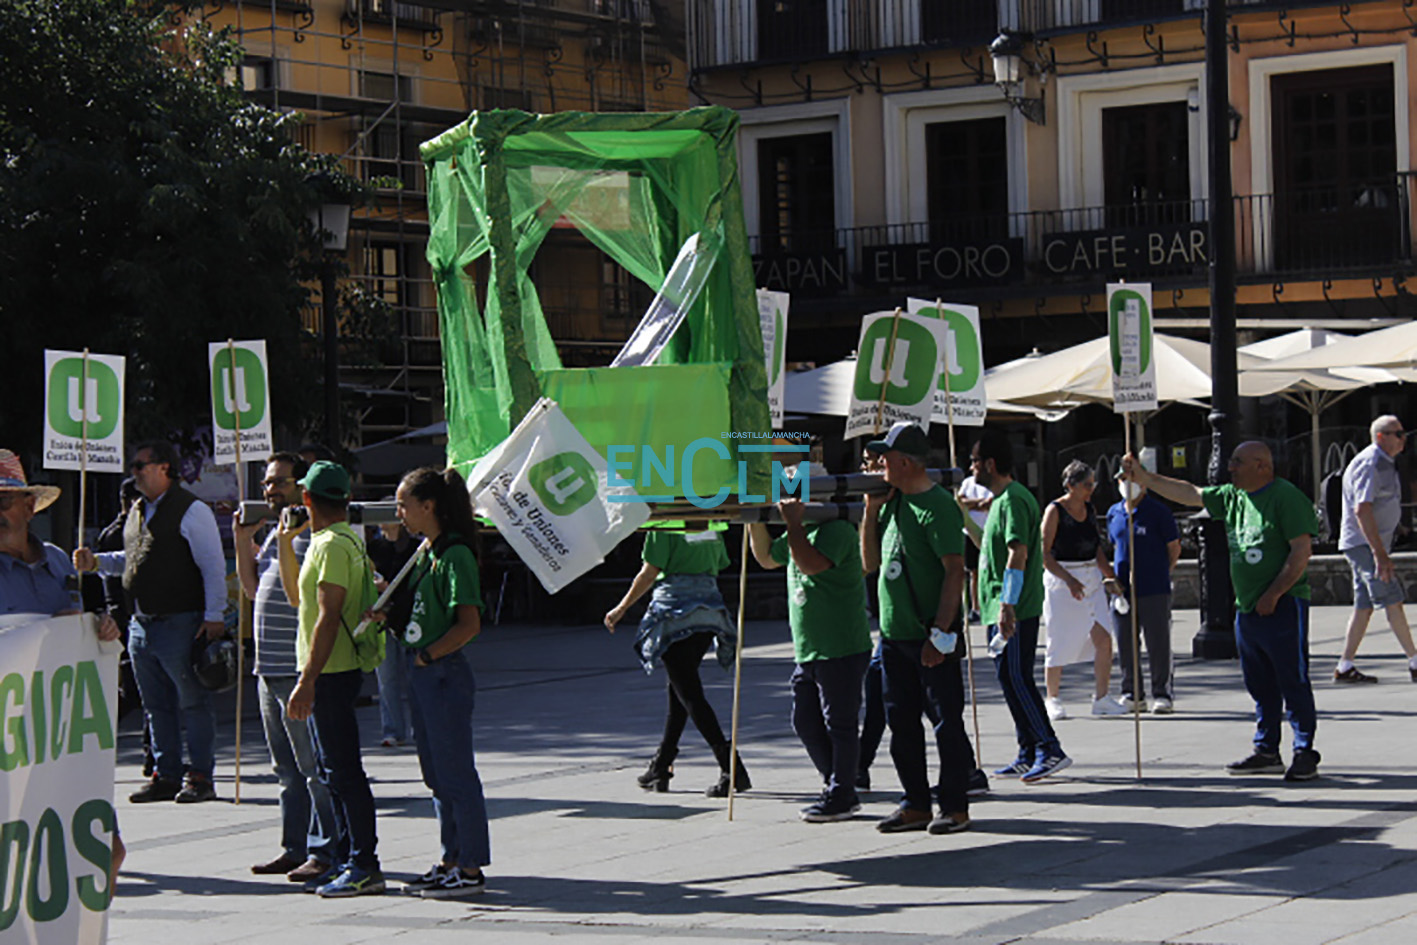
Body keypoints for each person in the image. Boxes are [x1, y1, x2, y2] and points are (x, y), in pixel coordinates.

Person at [1122, 441, 1321, 781]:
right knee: (1259, 683)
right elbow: (1191, 493)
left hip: (1284, 605)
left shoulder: (1286, 498)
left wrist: (1274, 594)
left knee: (1292, 678)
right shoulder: (1233, 496)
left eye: (1237, 462)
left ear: (1262, 465)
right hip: (1247, 608)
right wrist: (1146, 479)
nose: (1229, 468)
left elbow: (1301, 552)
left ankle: (1304, 751)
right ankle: (1267, 749)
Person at [74, 439, 227, 804]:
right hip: (142, 624)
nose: (134, 473)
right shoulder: (139, 510)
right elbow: (131, 558)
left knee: (192, 702)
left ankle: (201, 776)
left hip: (180, 621)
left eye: (140, 466)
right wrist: (96, 562)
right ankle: (167, 773)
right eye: (133, 467)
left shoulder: (192, 511)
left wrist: (214, 616)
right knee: (156, 706)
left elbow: (213, 566)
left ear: (164, 468)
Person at [0, 449, 126, 881]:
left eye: (2, 502)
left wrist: (101, 628)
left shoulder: (59, 561)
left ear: (29, 506)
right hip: (12, 740)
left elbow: (90, 629)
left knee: (108, 853)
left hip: (66, 734)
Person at [859, 422, 977, 835]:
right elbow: (870, 564)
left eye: (883, 458)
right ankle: (915, 802)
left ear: (904, 462)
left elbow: (954, 571)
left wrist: (941, 632)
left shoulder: (939, 506)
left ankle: (955, 805)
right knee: (901, 722)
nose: (876, 465)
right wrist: (871, 511)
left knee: (945, 721)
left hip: (930, 633)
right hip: (894, 637)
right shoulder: (892, 503)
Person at [377, 467, 489, 898]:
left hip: (443, 673)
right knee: (436, 774)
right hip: (424, 671)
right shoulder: (427, 551)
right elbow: (420, 611)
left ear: (430, 506)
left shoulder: (455, 553)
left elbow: (468, 624)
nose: (399, 512)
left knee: (456, 772)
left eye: (405, 504)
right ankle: (450, 857)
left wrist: (428, 655)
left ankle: (472, 865)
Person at [233, 452, 341, 883]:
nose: (269, 490)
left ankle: (326, 849)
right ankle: (293, 847)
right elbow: (251, 588)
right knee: (286, 771)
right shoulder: (280, 532)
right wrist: (243, 541)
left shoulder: (315, 535)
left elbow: (312, 599)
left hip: (297, 668)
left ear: (303, 487)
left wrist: (309, 675)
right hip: (267, 668)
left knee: (314, 768)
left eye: (278, 482)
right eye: (266, 483)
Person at [279, 460, 385, 896]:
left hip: (331, 672)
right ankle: (345, 860)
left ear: (306, 499)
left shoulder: (329, 546)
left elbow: (328, 616)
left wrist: (307, 679)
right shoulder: (340, 540)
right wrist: (287, 542)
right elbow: (296, 600)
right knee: (332, 770)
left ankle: (363, 864)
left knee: (343, 772)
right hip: (334, 671)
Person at [748, 494, 872, 823]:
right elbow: (765, 558)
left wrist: (791, 523)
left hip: (840, 646)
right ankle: (839, 782)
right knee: (804, 719)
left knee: (840, 725)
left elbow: (810, 565)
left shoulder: (837, 531)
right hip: (810, 649)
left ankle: (842, 791)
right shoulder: (800, 531)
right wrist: (753, 516)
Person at [604, 529, 748, 798]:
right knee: (680, 691)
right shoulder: (713, 525)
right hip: (708, 614)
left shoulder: (665, 527)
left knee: (689, 694)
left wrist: (621, 608)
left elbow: (649, 572)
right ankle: (661, 765)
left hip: (674, 615)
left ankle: (731, 767)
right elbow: (719, 564)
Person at [971, 429, 1071, 783]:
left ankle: (1048, 746)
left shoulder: (1013, 499)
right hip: (1000, 606)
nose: (971, 469)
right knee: (1007, 677)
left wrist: (1008, 604)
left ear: (990, 464)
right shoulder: (1001, 501)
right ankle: (1028, 749)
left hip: (1014, 607)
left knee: (1016, 675)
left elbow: (1018, 553)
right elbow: (989, 546)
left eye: (975, 462)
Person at [1040, 461, 1127, 720]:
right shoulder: (1054, 511)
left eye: (1093, 484)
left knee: (1103, 638)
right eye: (1087, 485)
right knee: (1058, 638)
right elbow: (1044, 555)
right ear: (1071, 486)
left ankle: (1101, 698)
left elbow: (1096, 547)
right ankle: (1052, 698)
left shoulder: (1089, 509)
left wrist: (1110, 576)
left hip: (1090, 577)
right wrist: (1069, 580)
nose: (1091, 489)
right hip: (1063, 579)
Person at [1333, 415, 1417, 683]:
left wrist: (1398, 529)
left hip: (1368, 543)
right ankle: (1415, 660)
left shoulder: (1383, 462)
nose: (1404, 438)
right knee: (1391, 598)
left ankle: (1345, 666)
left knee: (1364, 605)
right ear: (1381, 437)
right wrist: (1380, 554)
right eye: (1398, 433)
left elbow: (1378, 504)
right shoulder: (1370, 463)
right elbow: (1362, 508)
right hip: (1364, 545)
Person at [1107, 479, 1181, 713]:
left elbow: (1174, 547)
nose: (1127, 484)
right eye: (1122, 479)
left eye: (1133, 479)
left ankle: (1162, 692)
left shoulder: (1158, 512)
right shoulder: (1114, 513)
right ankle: (1132, 692)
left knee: (1158, 643)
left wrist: (1163, 571)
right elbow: (1115, 546)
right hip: (1123, 592)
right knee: (1125, 644)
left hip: (1154, 588)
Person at [368, 519, 417, 746]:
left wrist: (388, 589)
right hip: (381, 620)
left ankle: (420, 727)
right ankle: (392, 730)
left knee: (414, 677)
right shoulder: (373, 549)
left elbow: (414, 586)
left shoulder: (414, 548)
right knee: (386, 679)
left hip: (408, 620)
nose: (382, 523)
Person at [957, 471, 993, 622]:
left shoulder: (991, 482)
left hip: (987, 531)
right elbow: (960, 501)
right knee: (974, 572)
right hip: (969, 533)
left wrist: (974, 504)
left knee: (991, 570)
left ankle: (990, 604)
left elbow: (991, 502)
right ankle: (975, 608)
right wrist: (979, 503)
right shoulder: (967, 482)